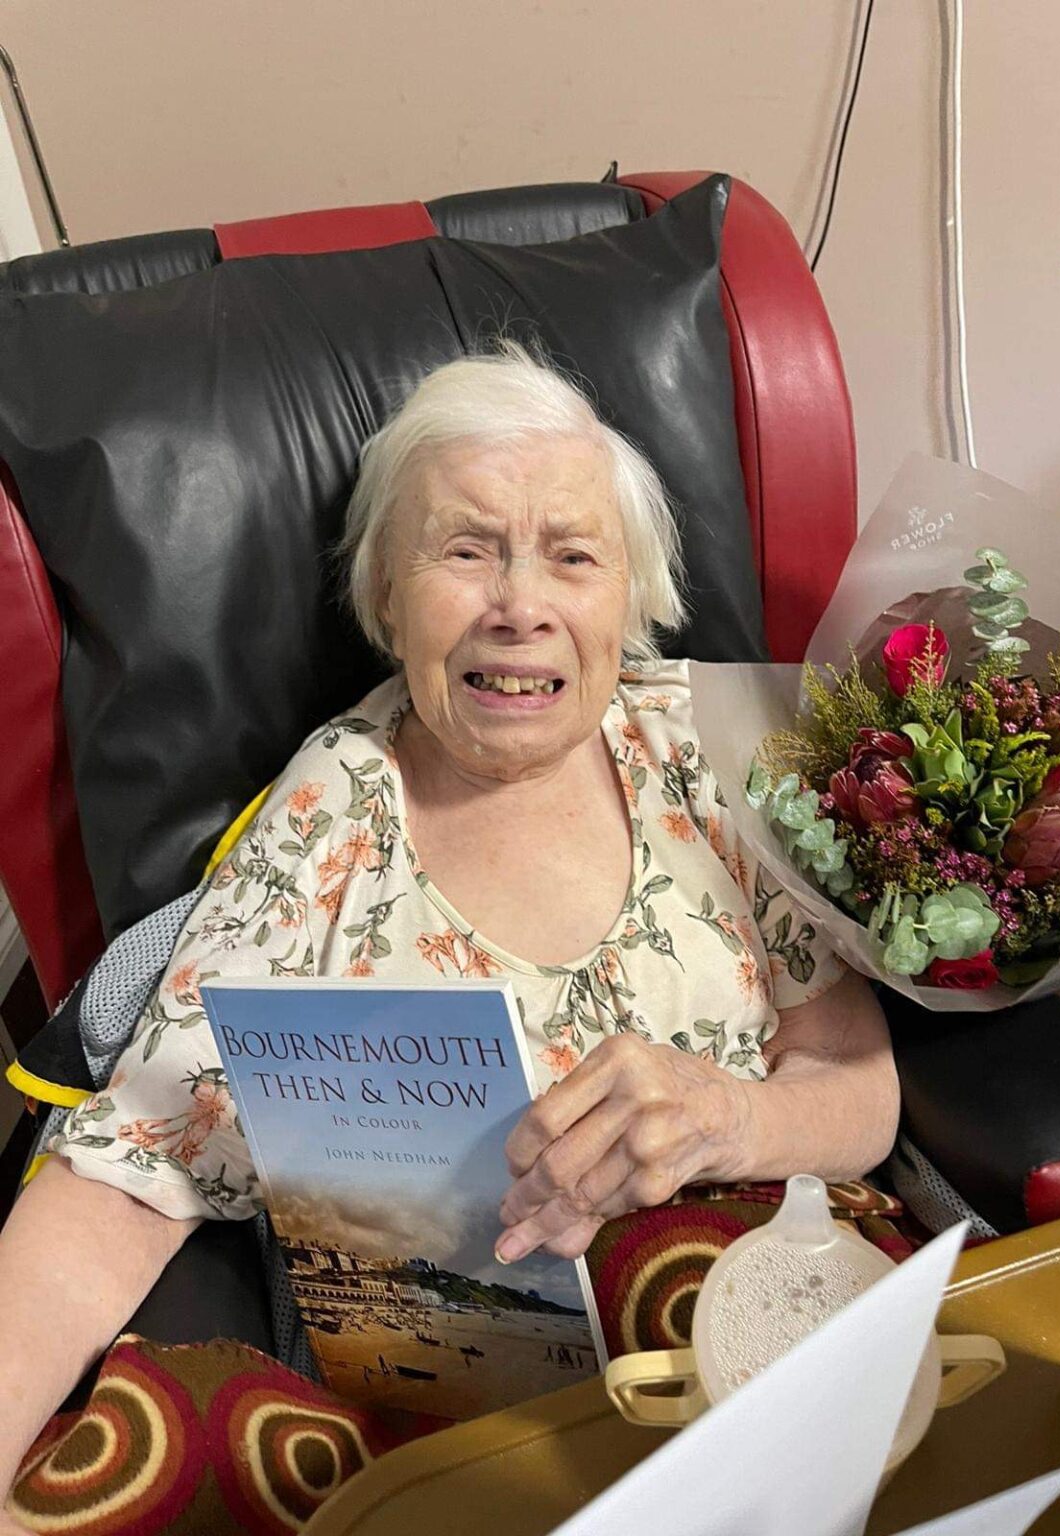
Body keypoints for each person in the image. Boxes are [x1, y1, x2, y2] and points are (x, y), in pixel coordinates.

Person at [0, 344, 898, 1518]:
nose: (519, 606)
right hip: (479, 1410)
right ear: (386, 595)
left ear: (630, 596)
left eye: (572, 555)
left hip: (764, 1318)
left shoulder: (710, 749)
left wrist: (728, 1115)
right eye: (465, 552)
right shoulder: (329, 819)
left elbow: (857, 1088)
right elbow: (134, 1169)